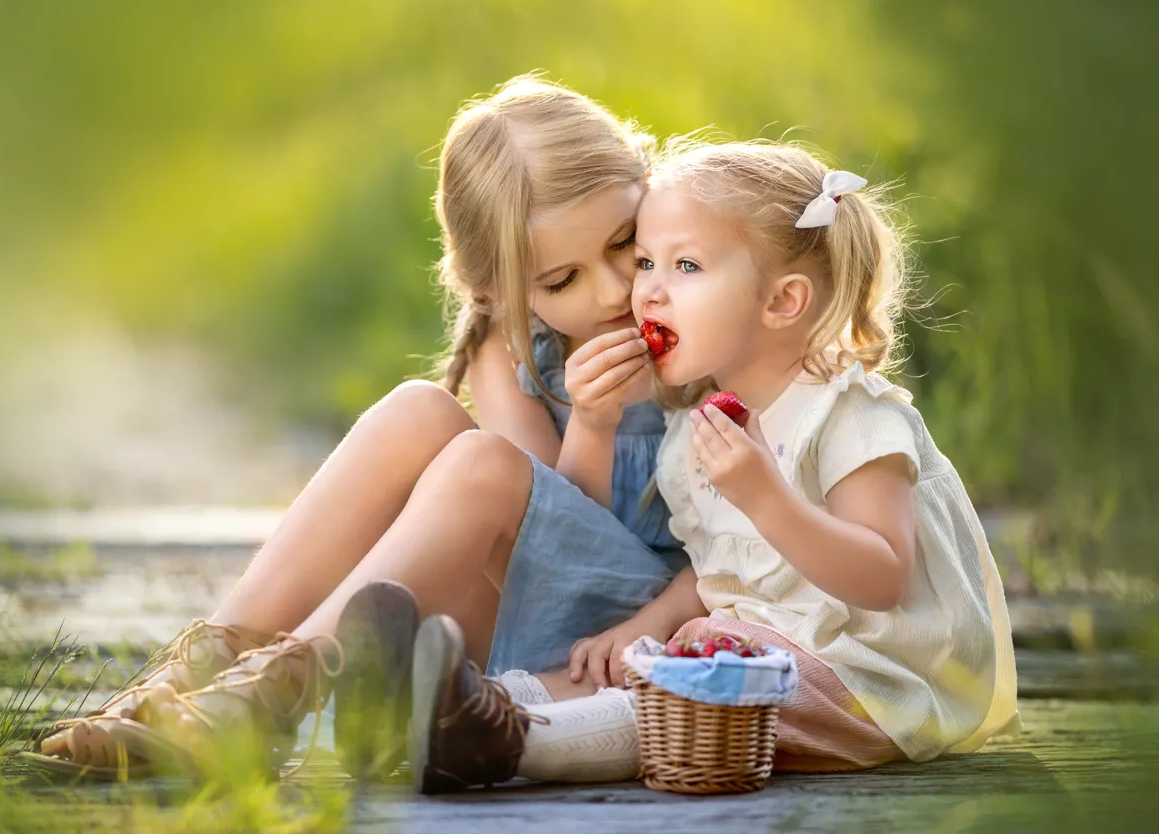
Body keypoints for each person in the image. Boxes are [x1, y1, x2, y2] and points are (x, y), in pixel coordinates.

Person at [21, 75, 687, 781]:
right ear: (499, 291)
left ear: (647, 184)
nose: (616, 291)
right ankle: (204, 670)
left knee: (482, 465)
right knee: (418, 410)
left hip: (629, 634)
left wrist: (594, 418)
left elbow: (564, 528)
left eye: (623, 242)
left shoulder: (698, 319)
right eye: (562, 281)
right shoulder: (512, 345)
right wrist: (591, 417)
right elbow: (539, 531)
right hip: (528, 613)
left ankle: (273, 692)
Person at [408, 138, 1019, 792]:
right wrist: (644, 625)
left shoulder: (851, 417)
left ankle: (514, 741)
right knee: (640, 664)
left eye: (686, 266)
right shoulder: (699, 428)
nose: (647, 292)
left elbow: (883, 577)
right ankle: (472, 707)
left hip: (868, 680)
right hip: (750, 646)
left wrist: (768, 501)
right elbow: (718, 564)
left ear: (782, 302)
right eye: (645, 260)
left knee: (698, 689)